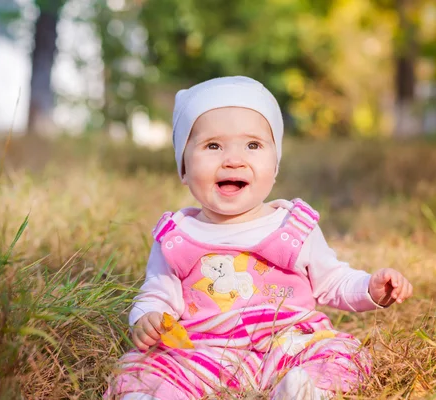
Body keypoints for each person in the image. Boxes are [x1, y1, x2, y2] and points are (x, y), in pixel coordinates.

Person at [105, 76, 413, 400]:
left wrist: (369, 288)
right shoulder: (178, 238)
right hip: (207, 352)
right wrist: (148, 317)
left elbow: (333, 280)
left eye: (253, 145)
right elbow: (156, 294)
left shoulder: (292, 227)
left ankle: (305, 392)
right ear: (183, 167)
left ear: (275, 163)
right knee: (142, 368)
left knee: (341, 352)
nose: (233, 159)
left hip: (288, 343)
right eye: (213, 146)